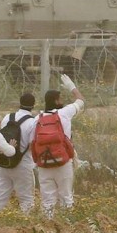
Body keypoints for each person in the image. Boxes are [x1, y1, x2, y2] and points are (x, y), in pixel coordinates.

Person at [36, 74, 84, 218]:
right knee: (66, 197)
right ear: (57, 101)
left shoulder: (38, 118)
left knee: (47, 201)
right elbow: (81, 100)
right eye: (60, 98)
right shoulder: (65, 113)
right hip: (63, 162)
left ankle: (48, 230)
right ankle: (67, 228)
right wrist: (72, 87)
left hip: (44, 163)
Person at [0, 93, 36, 213]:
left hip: (4, 162)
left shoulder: (8, 117)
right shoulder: (32, 122)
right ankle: (25, 226)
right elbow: (32, 144)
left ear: (19, 103)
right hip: (23, 165)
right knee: (26, 199)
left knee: (0, 197)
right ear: (33, 105)